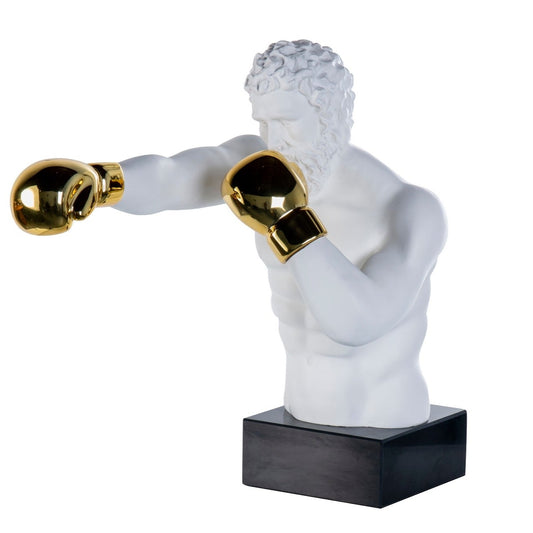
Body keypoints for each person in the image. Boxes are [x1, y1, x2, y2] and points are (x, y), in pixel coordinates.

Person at [99, 40, 448, 427]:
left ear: (331, 115)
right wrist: (99, 184)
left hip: (386, 416)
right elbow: (174, 178)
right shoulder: (262, 162)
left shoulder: (407, 208)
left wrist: (288, 220)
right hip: (298, 412)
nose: (274, 142)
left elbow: (357, 323)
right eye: (263, 123)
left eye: (287, 123)